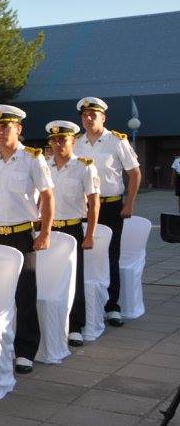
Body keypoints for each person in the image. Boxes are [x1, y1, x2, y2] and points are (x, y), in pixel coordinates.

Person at [0, 104, 55, 374]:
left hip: (22, 233)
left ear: (19, 129)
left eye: (6, 127)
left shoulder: (32, 158)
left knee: (24, 293)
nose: (0, 132)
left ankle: (25, 349)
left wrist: (44, 232)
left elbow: (47, 197)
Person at [73, 97, 141, 327]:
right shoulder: (76, 143)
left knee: (110, 254)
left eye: (93, 114)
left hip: (111, 205)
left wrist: (129, 203)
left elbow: (135, 173)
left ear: (104, 117)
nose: (88, 118)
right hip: (84, 207)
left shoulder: (116, 141)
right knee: (84, 256)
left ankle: (112, 306)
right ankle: (84, 306)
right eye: (84, 115)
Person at [47, 120, 100, 346]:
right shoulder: (43, 165)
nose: (58, 144)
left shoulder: (85, 166)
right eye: (55, 140)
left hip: (72, 227)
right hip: (47, 228)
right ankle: (52, 323)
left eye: (63, 140)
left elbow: (94, 202)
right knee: (49, 278)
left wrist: (90, 235)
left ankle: (76, 325)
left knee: (73, 277)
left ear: (73, 141)